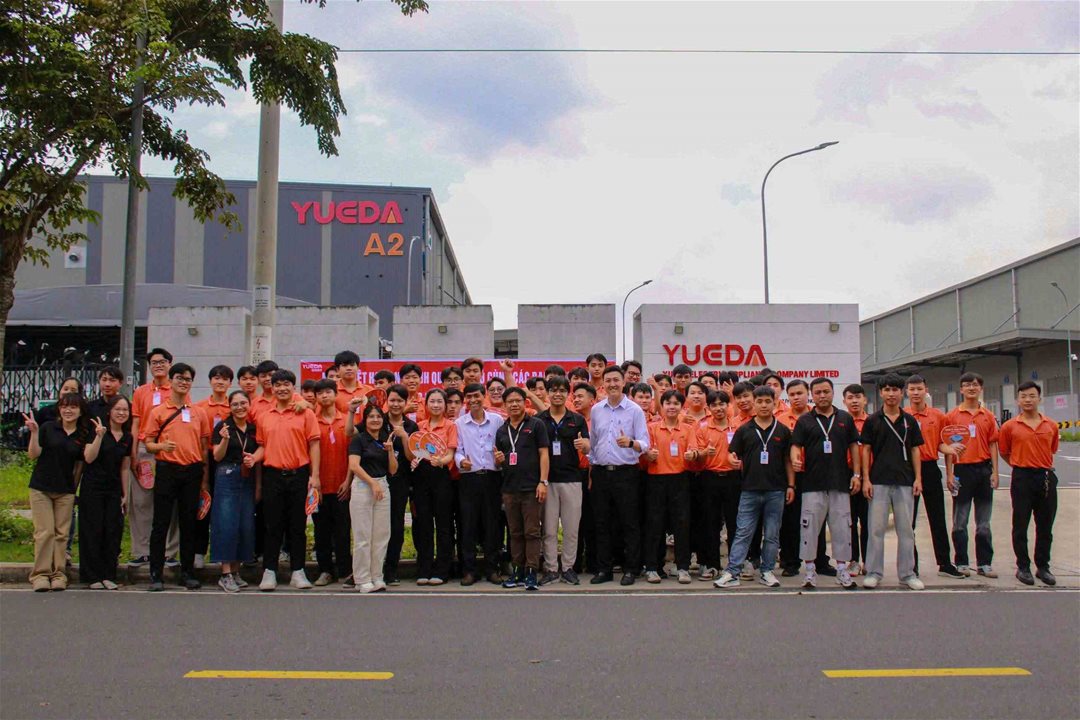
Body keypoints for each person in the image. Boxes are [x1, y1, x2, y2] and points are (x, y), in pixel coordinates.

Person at [714, 386, 794, 589]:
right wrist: (731, 460)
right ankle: (733, 572)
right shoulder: (744, 430)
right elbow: (732, 453)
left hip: (776, 490)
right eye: (760, 401)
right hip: (749, 490)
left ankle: (767, 571)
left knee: (772, 535)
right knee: (743, 532)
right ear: (754, 403)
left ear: (775, 403)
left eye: (768, 401)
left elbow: (787, 461)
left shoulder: (783, 430)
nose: (764, 405)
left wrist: (791, 485)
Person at [142, 363, 211, 591]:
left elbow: (204, 448)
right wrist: (161, 446)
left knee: (189, 523)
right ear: (170, 381)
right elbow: (148, 443)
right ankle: (156, 574)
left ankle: (187, 573)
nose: (183, 382)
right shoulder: (158, 412)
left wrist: (204, 479)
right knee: (160, 523)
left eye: (188, 379)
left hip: (192, 472)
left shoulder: (199, 412)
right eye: (179, 378)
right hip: (167, 470)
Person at [790, 378, 860, 589]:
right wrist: (795, 458)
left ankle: (842, 569)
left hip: (840, 483)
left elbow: (854, 446)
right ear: (812, 395)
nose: (822, 395)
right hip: (812, 483)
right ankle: (810, 571)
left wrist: (857, 474)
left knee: (842, 527)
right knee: (809, 528)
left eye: (826, 391)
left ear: (832, 393)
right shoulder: (805, 421)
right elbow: (795, 445)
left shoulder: (845, 418)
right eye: (818, 392)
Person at [254, 369, 320, 591]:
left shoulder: (305, 413)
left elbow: (314, 445)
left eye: (286, 384)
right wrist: (252, 458)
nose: (282, 388)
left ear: (293, 387)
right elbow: (262, 446)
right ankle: (269, 571)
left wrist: (315, 476)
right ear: (272, 388)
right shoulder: (264, 416)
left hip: (299, 475)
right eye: (278, 385)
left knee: (297, 525)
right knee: (272, 525)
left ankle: (298, 571)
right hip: (272, 475)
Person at [860, 374, 925, 590]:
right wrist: (866, 479)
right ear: (880, 393)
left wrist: (918, 478)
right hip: (879, 481)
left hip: (905, 481)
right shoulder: (872, 420)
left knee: (906, 530)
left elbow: (915, 450)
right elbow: (865, 450)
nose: (891, 394)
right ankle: (873, 572)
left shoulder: (909, 421)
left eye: (895, 389)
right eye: (887, 390)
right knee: (875, 529)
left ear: (902, 392)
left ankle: (907, 574)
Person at [588, 365, 650, 586]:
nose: (612, 384)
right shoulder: (596, 410)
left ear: (624, 382)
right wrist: (591, 464)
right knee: (602, 522)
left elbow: (645, 443)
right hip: (601, 473)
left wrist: (630, 443)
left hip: (626, 473)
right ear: (603, 384)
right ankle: (604, 569)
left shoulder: (635, 410)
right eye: (608, 381)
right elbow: (594, 442)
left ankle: (631, 569)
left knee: (629, 523)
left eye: (616, 380)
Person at [23, 393, 89, 591]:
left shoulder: (82, 435)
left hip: (65, 491)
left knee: (62, 535)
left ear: (80, 411)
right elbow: (33, 454)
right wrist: (34, 433)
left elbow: (79, 466)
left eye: (73, 407)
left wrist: (73, 489)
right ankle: (40, 575)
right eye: (64, 406)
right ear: (59, 409)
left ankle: (59, 574)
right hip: (41, 488)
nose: (68, 410)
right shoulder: (48, 428)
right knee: (45, 533)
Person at [999, 382, 1060, 586]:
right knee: (1020, 524)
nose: (1028, 400)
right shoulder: (1009, 426)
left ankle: (1043, 567)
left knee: (1045, 525)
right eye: (1023, 396)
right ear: (1017, 400)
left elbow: (1052, 449)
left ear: (1039, 399)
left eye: (1032, 396)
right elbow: (1004, 451)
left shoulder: (1051, 425)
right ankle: (1023, 567)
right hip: (1022, 478)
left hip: (1045, 477)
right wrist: (1020, 465)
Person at [905, 375, 964, 579]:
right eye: (912, 389)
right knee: (908, 521)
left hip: (930, 469)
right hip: (908, 471)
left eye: (919, 389)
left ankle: (945, 563)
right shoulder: (903, 416)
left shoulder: (938, 416)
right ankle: (911, 565)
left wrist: (950, 474)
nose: (916, 393)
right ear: (907, 392)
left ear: (926, 390)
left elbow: (943, 444)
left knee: (937, 518)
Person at [943, 372, 1000, 578]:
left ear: (980, 389)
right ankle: (961, 562)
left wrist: (995, 472)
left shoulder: (988, 416)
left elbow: (993, 444)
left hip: (983, 471)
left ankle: (984, 563)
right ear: (961, 389)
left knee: (983, 523)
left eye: (975, 385)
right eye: (967, 385)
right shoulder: (952, 416)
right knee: (960, 521)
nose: (971, 388)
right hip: (962, 471)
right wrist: (950, 474)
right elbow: (948, 448)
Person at [129, 347, 182, 568]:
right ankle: (142, 551)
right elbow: (135, 423)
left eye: (162, 362)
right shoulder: (141, 392)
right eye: (154, 362)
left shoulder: (178, 390)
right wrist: (133, 452)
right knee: (141, 502)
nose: (158, 365)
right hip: (145, 450)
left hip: (170, 450)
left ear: (170, 364)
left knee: (170, 502)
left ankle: (169, 552)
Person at [494, 387, 549, 590]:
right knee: (515, 532)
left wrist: (543, 482)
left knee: (532, 532)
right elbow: (501, 461)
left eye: (518, 400)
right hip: (509, 489)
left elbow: (544, 454)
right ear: (505, 405)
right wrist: (498, 460)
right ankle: (517, 571)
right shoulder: (501, 430)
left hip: (532, 487)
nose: (514, 404)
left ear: (525, 402)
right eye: (510, 401)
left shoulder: (536, 425)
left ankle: (531, 572)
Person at [537, 376, 590, 585]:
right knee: (549, 529)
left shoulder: (577, 419)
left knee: (571, 528)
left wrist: (584, 445)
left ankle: (568, 568)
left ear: (567, 394)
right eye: (553, 390)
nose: (557, 394)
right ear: (547, 393)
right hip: (547, 480)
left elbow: (588, 446)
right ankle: (551, 568)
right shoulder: (539, 420)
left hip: (572, 479)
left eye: (561, 390)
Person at [454, 383, 505, 585]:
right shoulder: (459, 423)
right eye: (469, 397)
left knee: (492, 524)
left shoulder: (497, 420)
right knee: (468, 525)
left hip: (492, 478)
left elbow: (503, 445)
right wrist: (461, 461)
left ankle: (492, 569)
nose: (473, 400)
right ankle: (469, 570)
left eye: (477, 396)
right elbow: (457, 450)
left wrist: (501, 459)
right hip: (469, 478)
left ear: (484, 396)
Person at [79, 395, 132, 590]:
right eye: (118, 409)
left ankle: (109, 574)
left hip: (114, 489)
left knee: (112, 531)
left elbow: (125, 467)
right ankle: (92, 576)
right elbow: (88, 458)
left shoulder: (127, 437)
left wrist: (125, 494)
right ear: (109, 411)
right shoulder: (98, 430)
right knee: (92, 530)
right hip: (93, 487)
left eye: (125, 410)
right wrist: (99, 437)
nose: (121, 413)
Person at [643, 389, 695, 584]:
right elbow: (644, 452)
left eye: (676, 403)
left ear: (681, 407)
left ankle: (683, 567)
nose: (672, 407)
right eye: (668, 403)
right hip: (656, 480)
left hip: (680, 480)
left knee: (682, 525)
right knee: (654, 525)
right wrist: (648, 455)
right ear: (662, 406)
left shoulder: (688, 429)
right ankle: (652, 567)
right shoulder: (652, 428)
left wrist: (693, 455)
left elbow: (694, 450)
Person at [210, 390, 259, 593]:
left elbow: (260, 451)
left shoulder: (253, 428)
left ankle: (236, 570)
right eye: (235, 404)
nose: (240, 407)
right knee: (226, 524)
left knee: (245, 524)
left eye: (243, 403)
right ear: (229, 407)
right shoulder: (223, 427)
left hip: (247, 477)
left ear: (249, 405)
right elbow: (217, 456)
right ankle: (225, 573)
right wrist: (223, 440)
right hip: (226, 475)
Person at [348, 403, 398, 593]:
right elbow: (354, 466)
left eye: (378, 417)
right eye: (371, 417)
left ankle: (377, 575)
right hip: (363, 487)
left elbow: (393, 470)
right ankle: (362, 579)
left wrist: (390, 450)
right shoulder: (359, 440)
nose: (375, 420)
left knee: (381, 535)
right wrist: (371, 483)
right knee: (363, 536)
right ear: (365, 420)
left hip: (382, 486)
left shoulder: (386, 439)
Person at [412, 389, 458, 585]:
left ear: (445, 405)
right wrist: (415, 460)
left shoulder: (450, 426)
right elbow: (415, 451)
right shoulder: (419, 426)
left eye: (440, 401)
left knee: (443, 524)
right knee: (423, 523)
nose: (436, 405)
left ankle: (442, 570)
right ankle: (424, 568)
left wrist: (441, 461)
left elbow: (451, 454)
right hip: (421, 478)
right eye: (432, 401)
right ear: (426, 405)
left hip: (441, 476)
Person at [694, 389, 740, 581]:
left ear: (728, 406)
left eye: (722, 404)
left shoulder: (737, 427)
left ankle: (735, 565)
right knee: (710, 523)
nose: (718, 408)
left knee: (734, 523)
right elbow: (696, 457)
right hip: (710, 478)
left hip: (733, 478)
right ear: (709, 407)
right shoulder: (702, 428)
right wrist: (704, 453)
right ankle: (712, 565)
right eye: (714, 405)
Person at [312, 380, 352, 586]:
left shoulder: (346, 420)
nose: (324, 396)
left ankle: (345, 571)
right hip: (319, 487)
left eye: (328, 392)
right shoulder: (311, 421)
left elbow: (354, 454)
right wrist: (313, 482)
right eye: (320, 393)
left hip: (342, 486)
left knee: (343, 531)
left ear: (336, 395)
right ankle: (325, 570)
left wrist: (349, 481)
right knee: (321, 532)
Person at [193, 364, 233, 569]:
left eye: (224, 379)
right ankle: (199, 551)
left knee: (224, 509)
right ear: (210, 381)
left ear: (230, 383)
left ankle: (222, 553)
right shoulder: (199, 407)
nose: (220, 382)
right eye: (216, 378)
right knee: (204, 504)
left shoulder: (234, 406)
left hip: (228, 458)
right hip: (205, 456)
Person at [380, 384, 418, 585]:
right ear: (387, 401)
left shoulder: (411, 426)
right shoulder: (377, 420)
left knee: (396, 525)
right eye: (392, 400)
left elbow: (412, 457)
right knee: (377, 526)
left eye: (400, 401)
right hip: (377, 480)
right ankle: (374, 568)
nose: (395, 404)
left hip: (401, 482)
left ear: (406, 403)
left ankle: (391, 569)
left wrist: (404, 437)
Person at [843, 384, 871, 576]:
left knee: (868, 521)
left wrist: (865, 477)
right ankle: (853, 560)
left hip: (869, 476)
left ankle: (869, 560)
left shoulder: (873, 422)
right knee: (850, 521)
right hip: (847, 476)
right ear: (844, 401)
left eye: (858, 397)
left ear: (865, 400)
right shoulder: (841, 422)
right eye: (850, 398)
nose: (854, 401)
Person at [334, 350, 373, 415]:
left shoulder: (369, 391)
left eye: (352, 365)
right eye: (344, 365)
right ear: (337, 370)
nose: (349, 368)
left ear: (358, 368)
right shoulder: (331, 391)